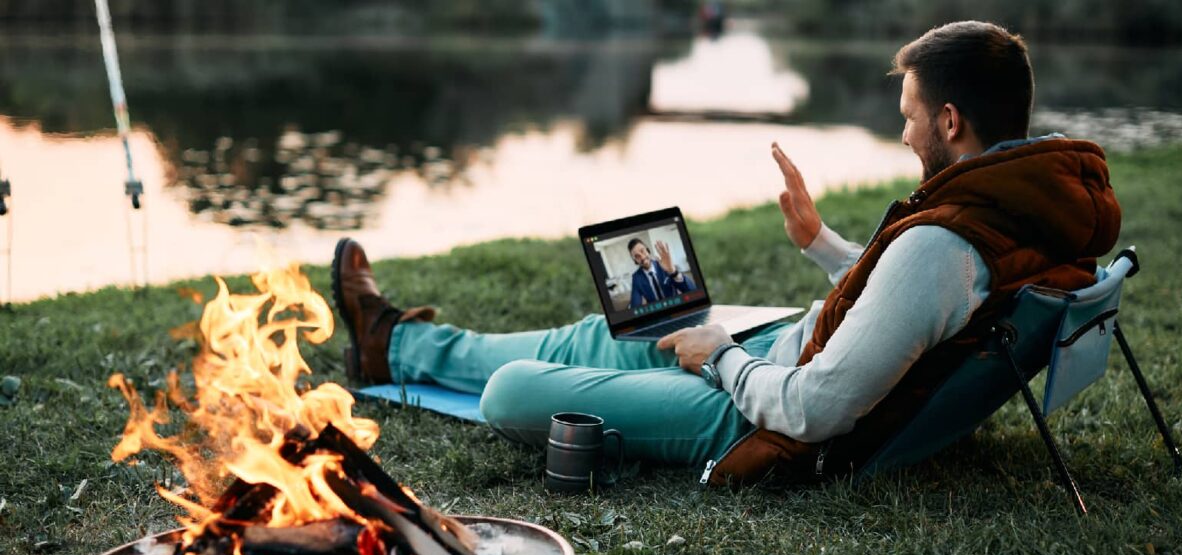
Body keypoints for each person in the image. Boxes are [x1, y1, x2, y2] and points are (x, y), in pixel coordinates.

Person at [331, 21, 1120, 484]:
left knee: (511, 391)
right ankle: (392, 342)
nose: (903, 132)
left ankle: (423, 352)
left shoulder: (950, 240)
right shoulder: (1024, 200)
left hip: (758, 413)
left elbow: (815, 410)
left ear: (951, 121)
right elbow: (922, 317)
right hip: (784, 356)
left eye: (910, 116)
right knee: (598, 333)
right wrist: (822, 245)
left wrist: (718, 358)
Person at [626, 238, 696, 309]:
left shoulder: (664, 264)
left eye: (642, 251)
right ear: (635, 261)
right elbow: (635, 305)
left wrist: (673, 272)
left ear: (647, 250)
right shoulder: (636, 277)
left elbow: (692, 292)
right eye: (637, 256)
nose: (642, 257)